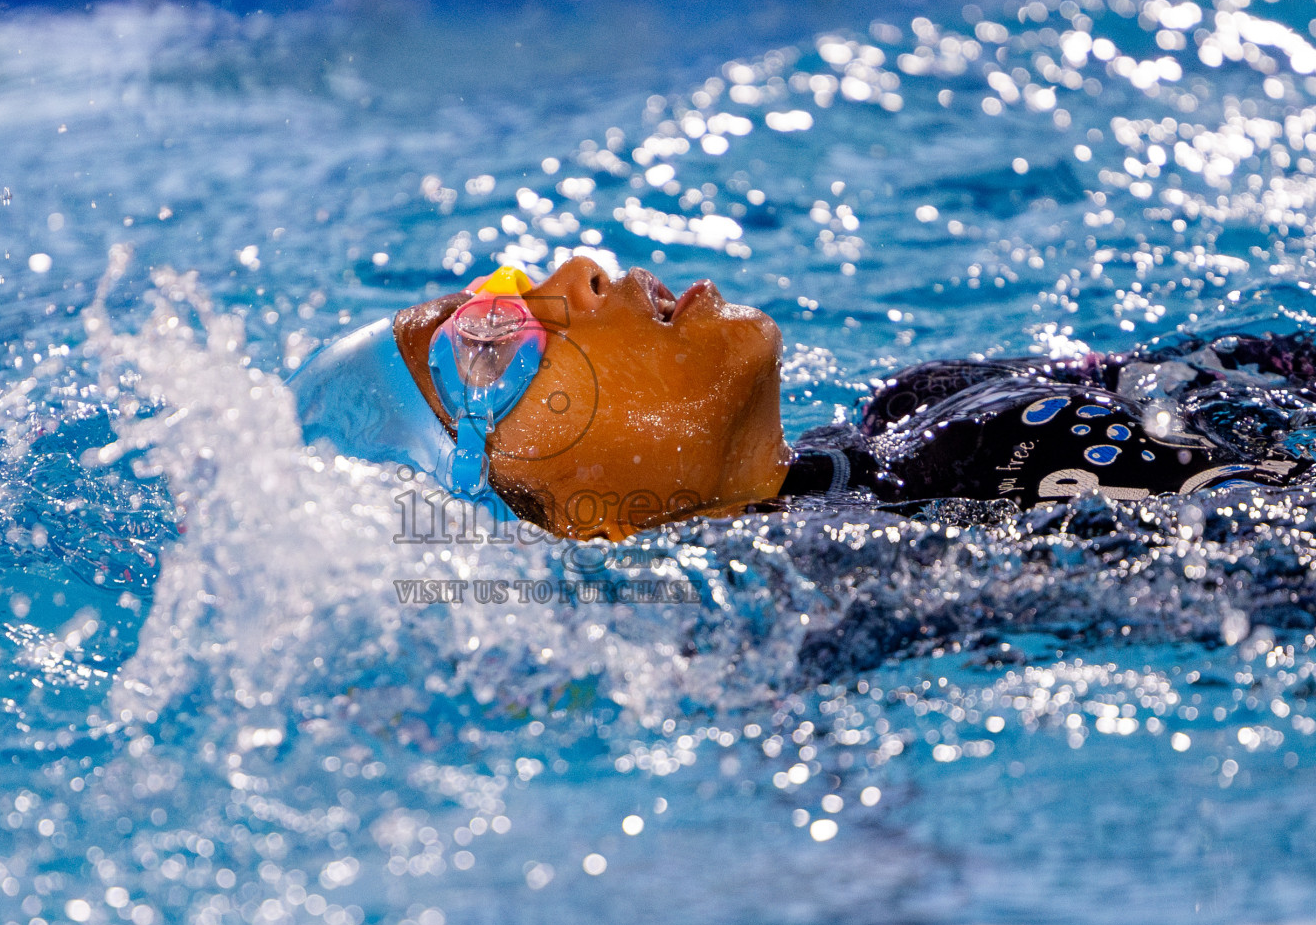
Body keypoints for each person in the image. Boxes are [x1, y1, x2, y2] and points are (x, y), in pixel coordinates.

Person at [291, 256, 1316, 541]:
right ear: (570, 520)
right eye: (494, 338)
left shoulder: (921, 405)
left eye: (509, 292)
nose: (576, 270)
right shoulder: (854, 578)